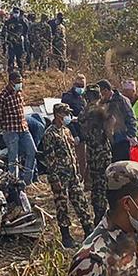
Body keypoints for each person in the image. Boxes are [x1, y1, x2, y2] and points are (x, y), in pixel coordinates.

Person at [40, 103, 94, 248]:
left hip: (72, 175)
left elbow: (72, 153)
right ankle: (66, 236)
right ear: (58, 114)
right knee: (62, 206)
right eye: (65, 114)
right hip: (60, 177)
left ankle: (89, 231)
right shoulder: (50, 134)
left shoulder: (66, 131)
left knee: (81, 202)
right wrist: (55, 179)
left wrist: (77, 172)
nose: (68, 116)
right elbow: (50, 160)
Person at [0, 70, 36, 184]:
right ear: (11, 82)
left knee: (32, 151)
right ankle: (14, 182)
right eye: (17, 82)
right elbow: (0, 116)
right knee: (13, 158)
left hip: (23, 128)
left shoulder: (19, 93)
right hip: (11, 130)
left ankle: (28, 181)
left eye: (21, 81)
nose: (20, 84)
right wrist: (6, 128)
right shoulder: (2, 96)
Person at [80, 90, 112, 220]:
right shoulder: (99, 111)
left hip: (92, 155)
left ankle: (98, 215)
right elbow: (110, 130)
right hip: (102, 154)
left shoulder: (84, 113)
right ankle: (101, 217)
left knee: (96, 187)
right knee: (102, 187)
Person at [97, 79, 138, 163]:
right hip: (108, 141)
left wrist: (131, 135)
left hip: (122, 139)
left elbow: (130, 118)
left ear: (106, 90)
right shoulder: (101, 102)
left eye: (101, 93)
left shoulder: (121, 100)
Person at [4, 8, 28, 75]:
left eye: (17, 13)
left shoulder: (22, 21)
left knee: (19, 58)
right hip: (11, 42)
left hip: (19, 42)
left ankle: (21, 72)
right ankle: (10, 72)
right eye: (15, 12)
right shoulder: (9, 21)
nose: (16, 14)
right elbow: (5, 30)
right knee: (11, 58)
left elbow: (26, 29)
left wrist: (22, 35)